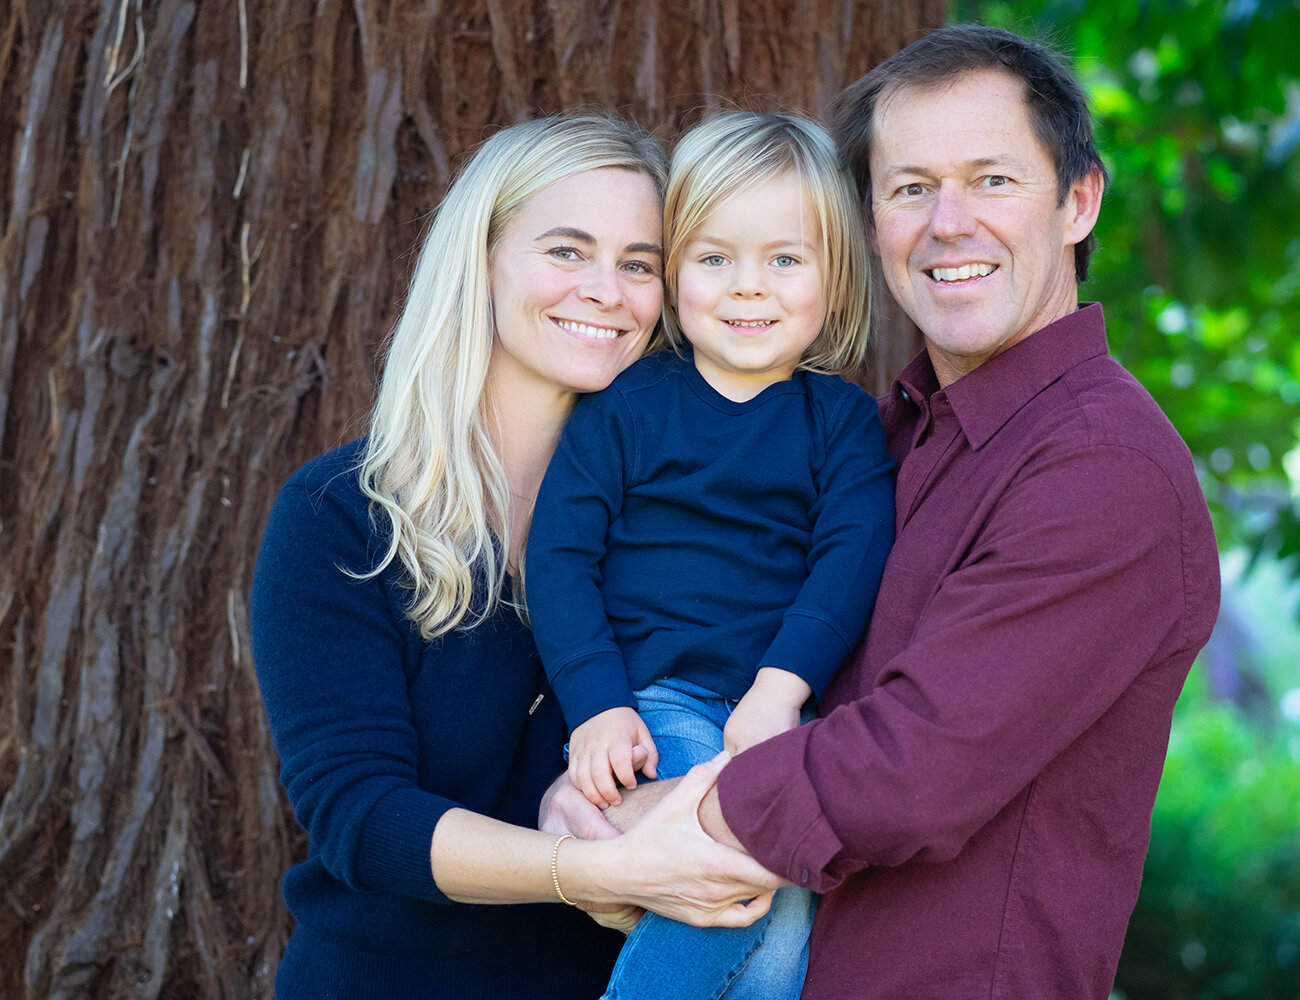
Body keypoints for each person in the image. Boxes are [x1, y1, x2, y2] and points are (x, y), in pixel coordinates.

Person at [563, 25, 1223, 1000]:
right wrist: (585, 776)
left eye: (993, 180)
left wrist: (669, 821)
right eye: (911, 188)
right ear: (873, 224)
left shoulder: (1101, 465)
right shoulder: (887, 439)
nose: (948, 222)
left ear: (1078, 201)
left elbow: (918, 765)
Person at [250, 114, 782, 1000]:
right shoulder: (343, 519)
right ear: (482, 259)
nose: (607, 291)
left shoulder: (683, 521)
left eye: (639, 263)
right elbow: (361, 817)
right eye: (568, 251)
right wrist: (588, 868)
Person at [525, 111, 895, 1000]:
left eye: (785, 259)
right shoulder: (625, 406)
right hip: (660, 707)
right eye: (714, 258)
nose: (748, 288)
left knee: (785, 941)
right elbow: (561, 558)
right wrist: (599, 708)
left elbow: (848, 561)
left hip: (780, 710)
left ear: (836, 281)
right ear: (675, 271)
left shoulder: (839, 423)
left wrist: (781, 689)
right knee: (729, 887)